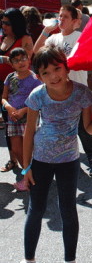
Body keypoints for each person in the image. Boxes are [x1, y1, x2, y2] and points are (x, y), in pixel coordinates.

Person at [21, 46, 92, 263]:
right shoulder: (37, 95)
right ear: (39, 76)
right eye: (45, 73)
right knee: (35, 209)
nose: (53, 76)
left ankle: (70, 259)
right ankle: (28, 259)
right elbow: (29, 132)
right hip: (40, 160)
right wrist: (26, 168)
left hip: (69, 160)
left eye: (56, 68)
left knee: (68, 209)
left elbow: (87, 128)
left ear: (66, 66)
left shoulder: (82, 93)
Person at [34, 5, 92, 176]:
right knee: (62, 128)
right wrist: (45, 31)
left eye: (65, 16)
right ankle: (66, 160)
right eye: (60, 15)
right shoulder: (53, 39)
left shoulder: (80, 37)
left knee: (83, 128)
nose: (61, 19)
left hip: (77, 92)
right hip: (57, 92)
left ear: (75, 22)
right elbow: (36, 52)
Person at [1, 48, 41, 191]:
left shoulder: (36, 79)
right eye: (16, 61)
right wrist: (9, 108)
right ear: (11, 64)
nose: (21, 62)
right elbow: (4, 97)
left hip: (29, 117)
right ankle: (28, 173)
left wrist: (24, 110)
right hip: (13, 117)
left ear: (28, 59)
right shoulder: (10, 77)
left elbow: (39, 100)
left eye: (23, 58)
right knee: (17, 149)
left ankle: (29, 177)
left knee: (30, 147)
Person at [0, 7, 34, 172]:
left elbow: (26, 59)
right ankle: (13, 160)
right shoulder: (3, 38)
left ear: (15, 23)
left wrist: (5, 59)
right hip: (4, 84)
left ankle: (30, 166)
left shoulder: (25, 38)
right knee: (9, 125)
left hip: (21, 87)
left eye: (7, 23)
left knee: (25, 130)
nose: (3, 26)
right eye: (2, 23)